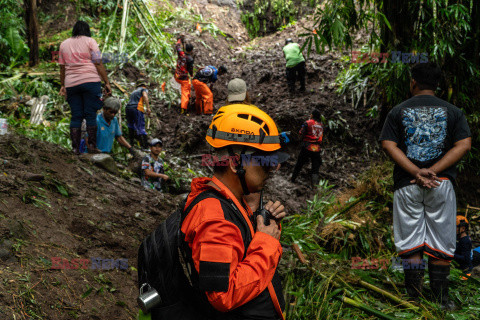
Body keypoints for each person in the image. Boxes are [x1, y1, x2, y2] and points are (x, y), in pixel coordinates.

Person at [181, 104, 289, 319]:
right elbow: (223, 295)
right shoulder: (213, 217)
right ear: (234, 163)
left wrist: (265, 227)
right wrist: (267, 243)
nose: (272, 168)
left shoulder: (231, 203)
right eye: (264, 161)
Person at [380, 62, 471, 309]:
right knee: (441, 237)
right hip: (440, 184)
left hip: (407, 184)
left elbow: (389, 144)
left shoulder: (397, 111)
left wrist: (416, 171)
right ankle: (442, 298)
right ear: (437, 84)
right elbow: (463, 144)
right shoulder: (453, 111)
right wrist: (434, 171)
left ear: (413, 82)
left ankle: (414, 297)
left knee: (410, 239)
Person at [58, 20, 112, 154]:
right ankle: (92, 147)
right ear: (87, 31)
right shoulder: (90, 41)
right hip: (90, 81)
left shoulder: (64, 44)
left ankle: (75, 148)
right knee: (90, 114)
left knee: (76, 116)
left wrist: (63, 85)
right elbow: (98, 63)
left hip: (71, 84)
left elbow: (62, 67)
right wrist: (106, 82)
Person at [290, 109, 323, 187]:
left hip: (307, 147)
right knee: (315, 168)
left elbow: (301, 133)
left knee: (299, 164)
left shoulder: (308, 123)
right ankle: (315, 187)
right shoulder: (321, 125)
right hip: (317, 149)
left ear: (312, 115)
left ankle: (292, 180)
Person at [126, 79, 151, 150]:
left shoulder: (134, 91)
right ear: (144, 85)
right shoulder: (143, 89)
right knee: (140, 127)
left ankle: (131, 144)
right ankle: (144, 146)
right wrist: (148, 108)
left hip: (128, 108)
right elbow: (145, 96)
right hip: (137, 108)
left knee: (131, 125)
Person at [175, 35, 195, 114]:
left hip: (177, 75)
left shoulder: (181, 53)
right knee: (185, 92)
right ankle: (183, 108)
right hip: (183, 78)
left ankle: (186, 103)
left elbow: (177, 46)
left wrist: (179, 39)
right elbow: (190, 69)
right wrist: (192, 75)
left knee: (187, 87)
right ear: (191, 50)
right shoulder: (190, 59)